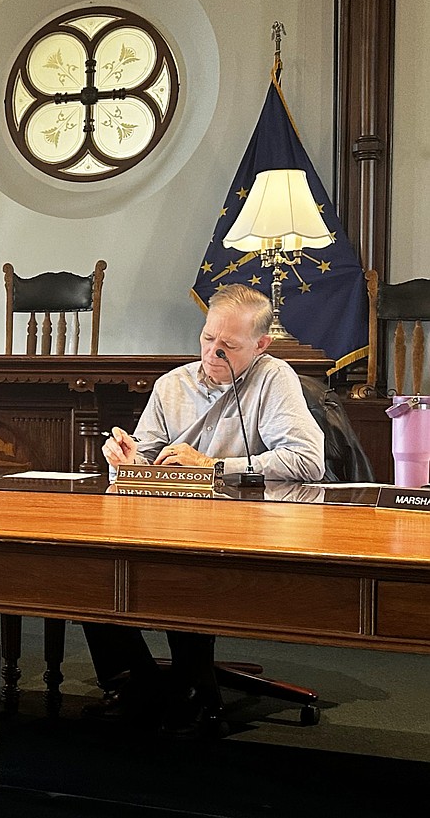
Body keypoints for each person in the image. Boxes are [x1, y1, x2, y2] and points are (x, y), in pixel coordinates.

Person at [85, 285, 325, 737]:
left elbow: (307, 461)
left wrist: (214, 467)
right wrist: (125, 458)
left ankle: (193, 685)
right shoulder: (171, 384)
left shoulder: (274, 379)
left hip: (246, 525)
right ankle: (135, 680)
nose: (212, 353)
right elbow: (146, 456)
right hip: (169, 521)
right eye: (207, 338)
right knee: (90, 563)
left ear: (260, 345)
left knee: (185, 567)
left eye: (228, 346)